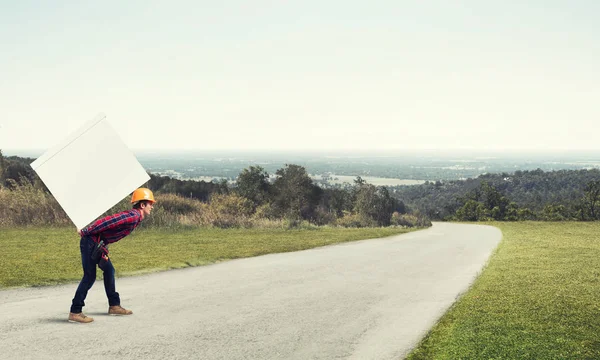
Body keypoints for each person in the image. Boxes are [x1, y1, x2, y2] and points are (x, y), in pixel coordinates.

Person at [68, 188, 156, 323]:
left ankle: (114, 306)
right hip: (90, 242)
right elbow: (108, 221)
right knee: (89, 276)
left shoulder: (136, 218)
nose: (152, 206)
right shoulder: (133, 216)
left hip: (98, 244)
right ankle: (75, 311)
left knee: (109, 270)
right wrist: (86, 231)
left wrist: (104, 245)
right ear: (142, 205)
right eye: (150, 203)